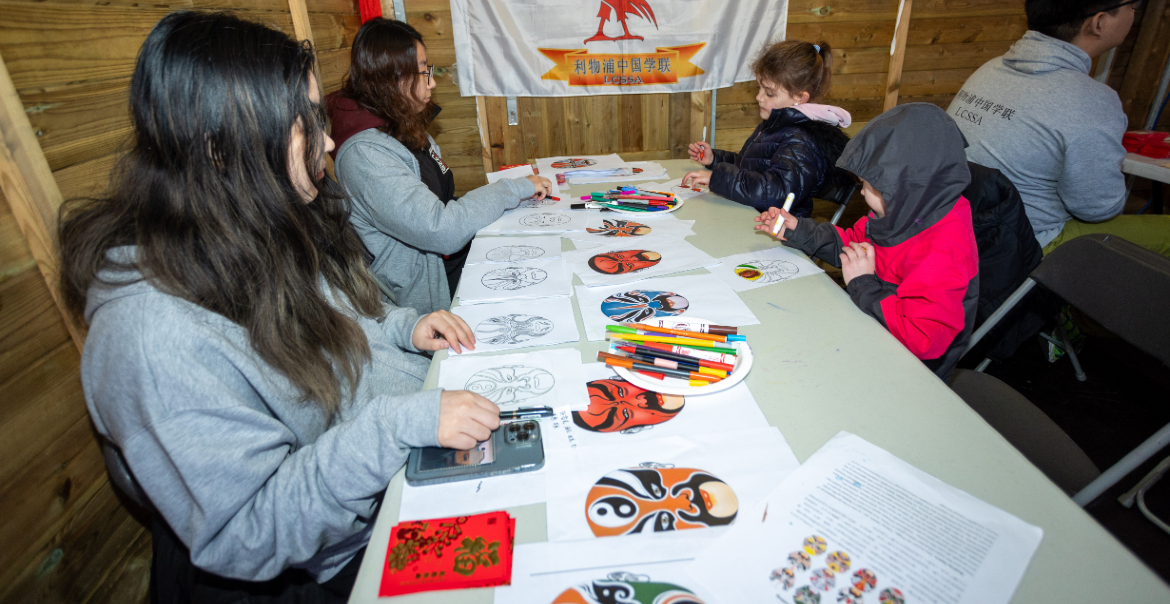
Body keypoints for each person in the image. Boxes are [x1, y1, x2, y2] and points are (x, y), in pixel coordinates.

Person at [57, 12, 500, 601]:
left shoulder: (253, 227)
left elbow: (340, 321)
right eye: (306, 124)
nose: (329, 141)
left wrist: (404, 325)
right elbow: (247, 532)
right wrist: (399, 426)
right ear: (226, 147)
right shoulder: (149, 334)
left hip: (383, 475)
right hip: (335, 558)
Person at [328, 18, 551, 314]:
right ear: (391, 77)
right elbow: (441, 229)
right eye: (422, 72)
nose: (432, 82)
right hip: (430, 297)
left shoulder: (404, 126)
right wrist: (510, 189)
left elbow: (442, 203)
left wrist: (507, 198)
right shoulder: (365, 155)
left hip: (453, 267)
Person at [757, 104, 980, 380]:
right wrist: (799, 230)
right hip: (876, 327)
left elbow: (922, 338)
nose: (861, 192)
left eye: (869, 187)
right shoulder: (900, 210)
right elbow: (853, 247)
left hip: (914, 372)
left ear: (904, 189)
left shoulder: (944, 249)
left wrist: (864, 285)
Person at [947, 0, 1170, 256]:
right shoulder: (1093, 101)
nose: (1134, 13)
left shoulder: (990, 69)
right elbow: (1097, 209)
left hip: (961, 230)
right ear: (1099, 23)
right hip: (1022, 243)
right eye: (1134, 6)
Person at [681, 40, 852, 217]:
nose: (759, 97)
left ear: (800, 97)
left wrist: (717, 178)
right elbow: (749, 168)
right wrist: (714, 159)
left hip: (777, 232)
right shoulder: (775, 124)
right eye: (759, 87)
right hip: (751, 215)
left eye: (769, 93)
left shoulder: (801, 140)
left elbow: (775, 193)